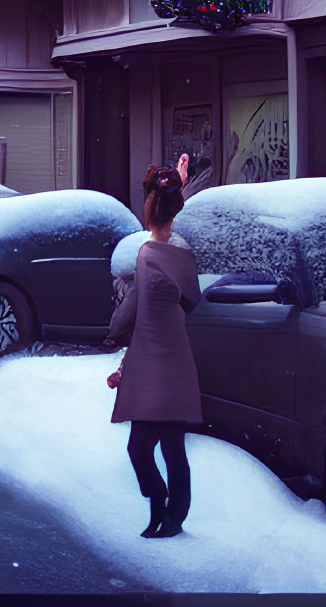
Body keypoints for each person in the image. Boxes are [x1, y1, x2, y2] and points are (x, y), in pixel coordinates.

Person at [105, 155, 201, 539]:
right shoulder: (182, 255)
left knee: (140, 448)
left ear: (148, 205)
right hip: (176, 360)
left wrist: (111, 331)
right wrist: (177, 180)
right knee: (172, 446)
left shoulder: (147, 256)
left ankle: (160, 502)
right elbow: (192, 299)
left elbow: (129, 310)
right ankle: (173, 515)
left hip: (150, 364)